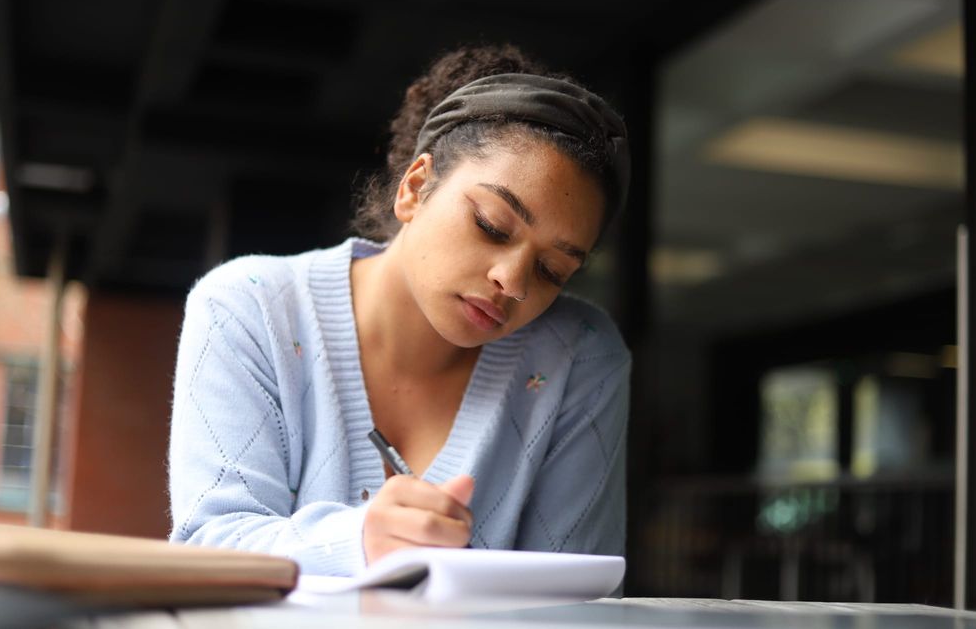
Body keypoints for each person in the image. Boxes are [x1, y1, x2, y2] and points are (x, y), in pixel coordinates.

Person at [168, 44, 632, 576]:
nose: (514, 283)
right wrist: (359, 539)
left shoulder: (578, 356)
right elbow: (208, 545)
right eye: (492, 226)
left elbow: (577, 593)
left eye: (553, 270)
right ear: (415, 187)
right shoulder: (251, 308)